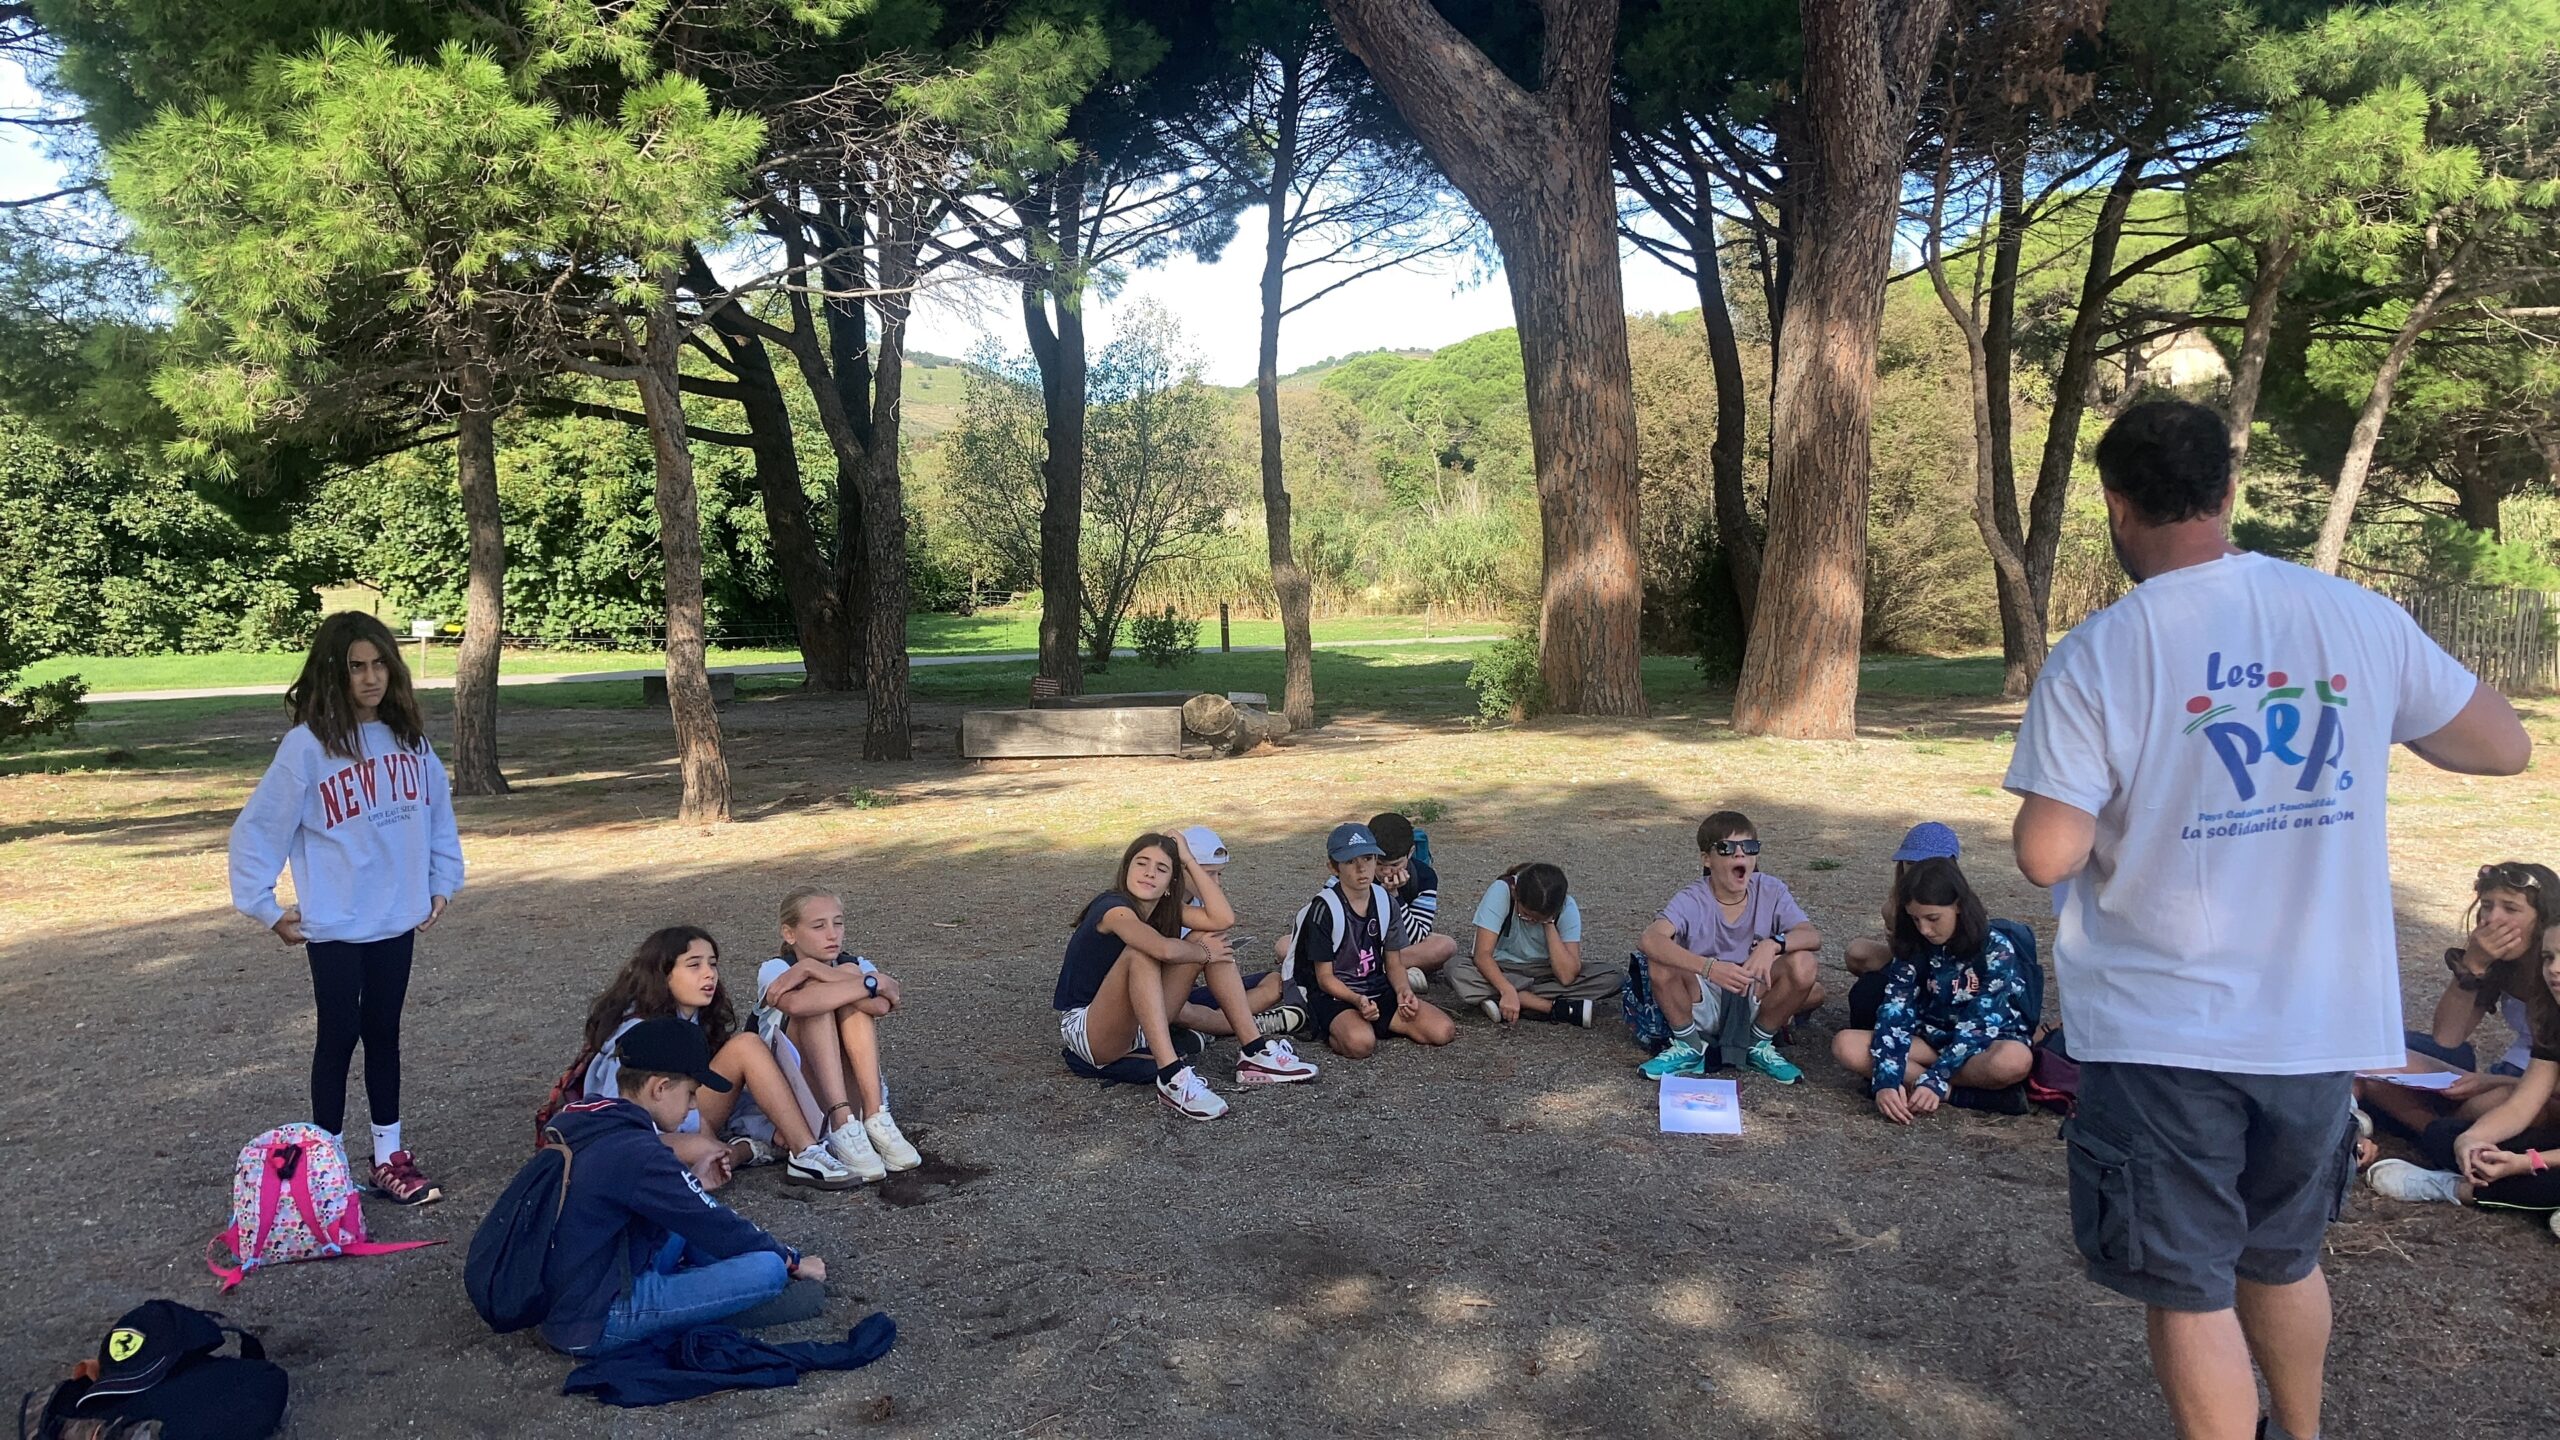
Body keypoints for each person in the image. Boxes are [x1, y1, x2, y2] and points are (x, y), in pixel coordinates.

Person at [2005, 399, 2532, 1440]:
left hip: (2167, 1025)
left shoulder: (2104, 650)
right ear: (2229, 490)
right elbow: (2501, 746)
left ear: (2116, 504)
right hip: (2316, 1022)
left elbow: (2045, 855)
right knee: (2281, 1258)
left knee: (2187, 1282)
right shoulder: (2352, 616)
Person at [227, 612, 464, 1207]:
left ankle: (389, 1156)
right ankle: (326, 1166)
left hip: (396, 917)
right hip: (335, 922)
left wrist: (441, 881)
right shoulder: (307, 748)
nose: (370, 678)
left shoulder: (411, 742)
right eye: (356, 666)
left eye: (380, 663)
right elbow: (260, 828)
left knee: (384, 1032)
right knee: (338, 1035)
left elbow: (438, 817)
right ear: (333, 673)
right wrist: (264, 906)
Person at [539, 1017, 831, 1356]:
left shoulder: (593, 1118)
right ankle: (723, 1308)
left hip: (584, 1287)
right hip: (601, 1318)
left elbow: (672, 1209)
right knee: (767, 1269)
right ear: (660, 1088)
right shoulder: (642, 1153)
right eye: (691, 1093)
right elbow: (714, 1223)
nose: (694, 1106)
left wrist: (691, 1183)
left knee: (692, 1227)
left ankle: (709, 1296)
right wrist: (791, 1260)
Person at [1055, 832, 1319, 1120]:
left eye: (1162, 868)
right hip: (1090, 1030)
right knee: (1141, 954)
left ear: (1172, 882)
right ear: (1126, 868)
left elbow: (1223, 919)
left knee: (1208, 935)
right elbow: (1163, 949)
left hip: (1142, 1022)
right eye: (1141, 863)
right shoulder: (1113, 908)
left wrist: (1189, 861)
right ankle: (1171, 1077)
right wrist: (1203, 953)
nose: (1149, 873)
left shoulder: (1164, 908)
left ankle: (1255, 1053)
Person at [581, 925, 858, 1191]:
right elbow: (620, 1111)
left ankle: (752, 1149)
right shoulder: (637, 1035)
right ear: (662, 974)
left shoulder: (695, 1020)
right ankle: (800, 1152)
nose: (709, 974)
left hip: (688, 1119)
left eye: (712, 964)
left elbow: (719, 1090)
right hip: (641, 1135)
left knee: (730, 1135)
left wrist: (768, 1128)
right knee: (745, 1047)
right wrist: (703, 1139)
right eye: (694, 965)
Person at [2364, 919, 2560, 1238]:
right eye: (2548, 957)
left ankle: (2454, 1188)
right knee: (2449, 1136)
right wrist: (2473, 1140)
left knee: (2549, 1182)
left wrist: (2526, 1163)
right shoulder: (2553, 1023)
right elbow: (2522, 1105)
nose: (2554, 969)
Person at [2354, 862, 2560, 1146]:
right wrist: (2474, 964)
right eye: (2487, 906)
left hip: (2530, 1089)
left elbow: (2538, 1086)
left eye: (2510, 909)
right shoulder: (2502, 964)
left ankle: (2437, 1133)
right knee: (2372, 1059)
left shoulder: (2554, 973)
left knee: (2490, 1103)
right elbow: (2447, 1037)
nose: (2492, 919)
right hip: (2511, 1075)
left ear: (2544, 919)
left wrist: (2494, 1082)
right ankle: (2440, 1132)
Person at [1828, 857, 2034, 1122]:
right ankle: (1962, 1095)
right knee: (1846, 1045)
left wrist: (1936, 1077)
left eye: (1933, 918)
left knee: (2014, 1060)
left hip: (1985, 1043)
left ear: (1958, 905)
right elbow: (1895, 1009)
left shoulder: (1996, 947)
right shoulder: (1913, 944)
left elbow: (1981, 1024)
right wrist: (1886, 1080)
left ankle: (1931, 1086)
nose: (1924, 929)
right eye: (1915, 919)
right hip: (1930, 1039)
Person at [1633, 811, 1825, 1083]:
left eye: (1749, 847)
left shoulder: (1771, 889)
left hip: (1752, 988)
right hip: (1702, 996)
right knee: (1661, 958)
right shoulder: (1692, 897)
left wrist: (1772, 945)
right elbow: (1650, 939)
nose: (1740, 854)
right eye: (1727, 848)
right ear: (1706, 859)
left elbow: (1811, 936)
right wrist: (1709, 968)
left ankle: (1757, 1044)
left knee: (1804, 963)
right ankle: (1689, 1046)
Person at [755, 887, 921, 1181]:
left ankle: (876, 1117)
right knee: (818, 1001)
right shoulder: (775, 968)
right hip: (799, 1096)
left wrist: (813, 969)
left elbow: (881, 1005)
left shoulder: (856, 964)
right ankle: (841, 1124)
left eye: (838, 923)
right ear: (790, 933)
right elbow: (797, 1004)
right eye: (818, 926)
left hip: (852, 1093)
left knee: (847, 998)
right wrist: (866, 982)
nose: (832, 934)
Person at [1295, 822, 1457, 1057]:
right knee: (1360, 1044)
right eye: (1350, 862)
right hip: (1337, 994)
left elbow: (1394, 962)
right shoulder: (1325, 908)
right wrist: (1356, 999)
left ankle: (1373, 1021)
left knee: (1442, 1030)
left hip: (1376, 987)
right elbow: (1325, 978)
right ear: (1333, 867)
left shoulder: (1385, 901)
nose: (1362, 868)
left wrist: (1403, 990)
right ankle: (1326, 1024)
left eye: (1368, 858)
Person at [1170, 826, 1307, 1041]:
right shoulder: (1164, 902)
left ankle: (1220, 1025)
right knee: (1208, 941)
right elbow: (1223, 921)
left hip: (1185, 992)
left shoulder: (1199, 900)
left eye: (1219, 873)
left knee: (1274, 982)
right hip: (1163, 997)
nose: (1216, 882)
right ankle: (1245, 1027)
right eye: (1208, 874)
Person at [1452, 862, 1621, 1027]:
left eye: (1538, 919)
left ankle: (1508, 1000)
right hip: (1501, 968)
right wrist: (1506, 989)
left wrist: (1548, 923)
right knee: (1456, 968)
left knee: (1613, 976)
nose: (1531, 921)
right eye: (1525, 915)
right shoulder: (1502, 891)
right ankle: (1551, 1008)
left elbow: (1566, 976)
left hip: (1545, 972)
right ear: (1515, 893)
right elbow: (1482, 955)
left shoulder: (1566, 907)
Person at [1843, 822, 1964, 1024]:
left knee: (1870, 993)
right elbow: (1902, 953)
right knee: (1859, 957)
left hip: (1948, 971)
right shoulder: (1894, 906)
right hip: (1910, 964)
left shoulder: (1953, 902)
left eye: (1928, 865)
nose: (1918, 872)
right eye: (1911, 864)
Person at [1368, 812, 1457, 992]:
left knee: (1446, 946)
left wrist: (1394, 896)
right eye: (1379, 863)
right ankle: (1393, 973)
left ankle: (1374, 971)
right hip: (1357, 944)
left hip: (1396, 947)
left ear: (1410, 853)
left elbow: (1415, 938)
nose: (1386, 872)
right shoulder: (1355, 870)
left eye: (1395, 865)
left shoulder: (1424, 877)